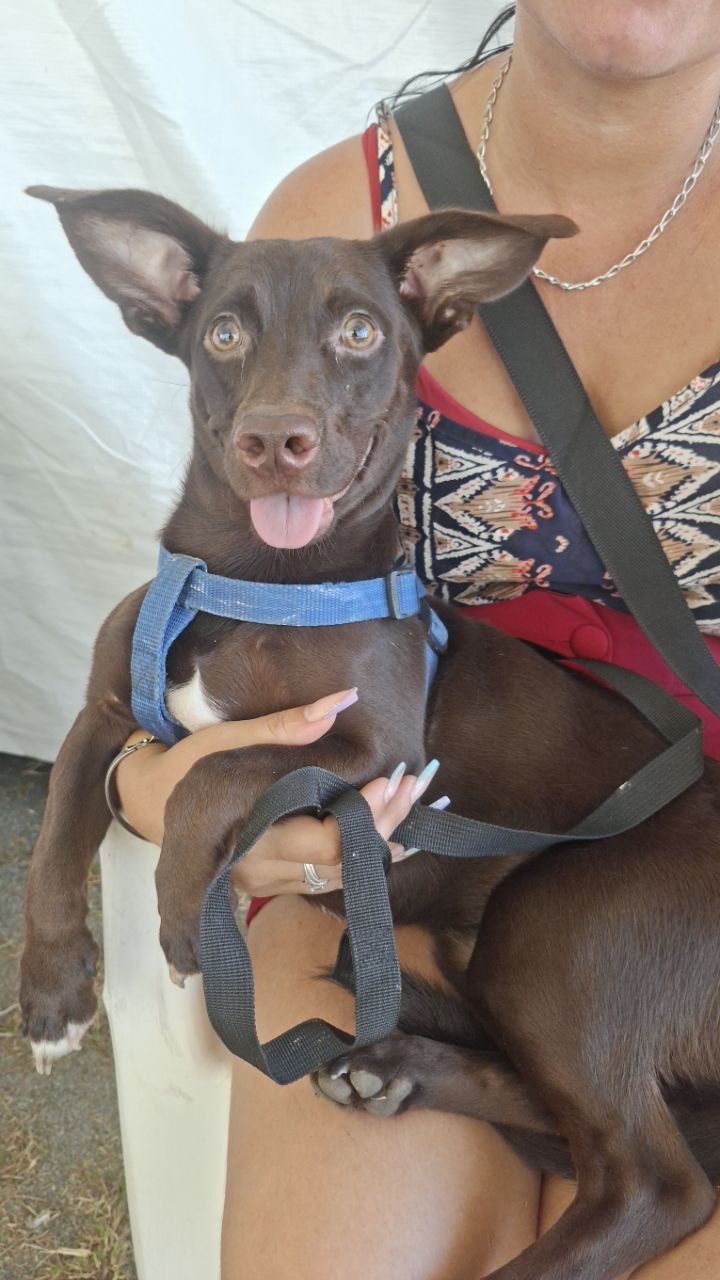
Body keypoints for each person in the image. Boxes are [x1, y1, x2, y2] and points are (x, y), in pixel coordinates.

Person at [114, 3, 720, 1276]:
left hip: (686, 877)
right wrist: (149, 782)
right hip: (400, 844)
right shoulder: (332, 220)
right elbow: (223, 585)